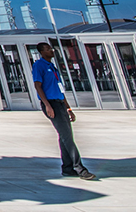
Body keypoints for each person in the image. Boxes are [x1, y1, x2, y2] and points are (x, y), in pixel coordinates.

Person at [32, 42, 96, 180]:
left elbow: (60, 89)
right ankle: (80, 168)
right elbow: (38, 86)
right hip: (52, 104)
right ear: (42, 52)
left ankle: (67, 168)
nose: (52, 51)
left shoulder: (53, 67)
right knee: (67, 136)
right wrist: (47, 105)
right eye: (48, 49)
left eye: (51, 48)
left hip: (60, 103)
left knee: (65, 136)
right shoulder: (39, 65)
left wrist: (68, 108)